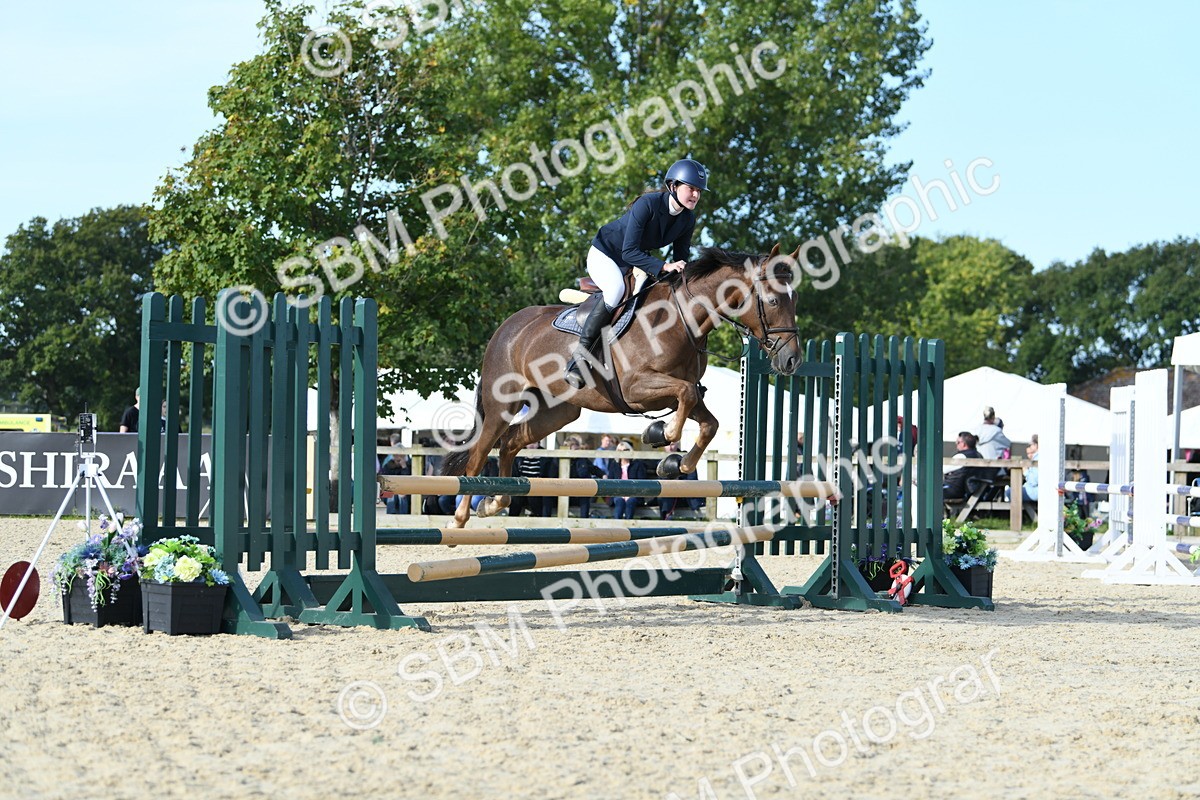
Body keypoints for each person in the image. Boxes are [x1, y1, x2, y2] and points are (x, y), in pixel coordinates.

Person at [565, 158, 708, 389]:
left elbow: (681, 259)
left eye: (699, 190)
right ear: (673, 186)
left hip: (635, 261)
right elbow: (629, 251)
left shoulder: (687, 219)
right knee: (616, 291)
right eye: (691, 188)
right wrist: (664, 266)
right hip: (607, 254)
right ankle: (578, 359)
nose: (695, 194)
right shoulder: (648, 204)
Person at [658, 441, 702, 520]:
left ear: (677, 444)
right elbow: (662, 480)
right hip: (668, 494)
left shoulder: (686, 458)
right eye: (668, 445)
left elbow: (692, 479)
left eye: (673, 444)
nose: (670, 447)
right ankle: (667, 517)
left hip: (684, 494)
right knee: (666, 494)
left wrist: (679, 481)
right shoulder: (660, 460)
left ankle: (667, 517)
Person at [607, 439, 647, 519]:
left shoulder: (637, 464)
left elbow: (641, 482)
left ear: (630, 450)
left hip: (633, 494)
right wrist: (620, 494)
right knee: (619, 501)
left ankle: (628, 525)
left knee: (631, 501)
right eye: (619, 450)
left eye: (625, 450)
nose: (622, 452)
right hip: (618, 494)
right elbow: (610, 482)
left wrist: (630, 494)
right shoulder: (614, 465)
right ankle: (617, 526)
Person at [943, 432, 989, 500]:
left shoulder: (961, 456)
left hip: (953, 489)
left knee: (928, 491)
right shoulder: (979, 456)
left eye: (958, 442)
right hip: (966, 490)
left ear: (964, 444)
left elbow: (943, 469)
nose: (956, 444)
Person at [567, 436, 604, 518]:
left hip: (582, 490)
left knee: (585, 494)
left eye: (577, 449)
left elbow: (593, 468)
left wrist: (603, 475)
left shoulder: (582, 459)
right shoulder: (562, 460)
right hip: (567, 491)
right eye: (573, 449)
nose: (576, 452)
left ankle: (584, 521)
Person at [379, 433, 411, 514]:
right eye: (395, 455)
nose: (398, 457)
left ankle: (403, 517)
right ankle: (391, 516)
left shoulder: (409, 465)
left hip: (404, 490)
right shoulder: (388, 465)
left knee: (402, 495)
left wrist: (404, 467)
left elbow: (408, 480)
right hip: (388, 490)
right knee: (391, 495)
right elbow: (384, 481)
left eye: (400, 455)